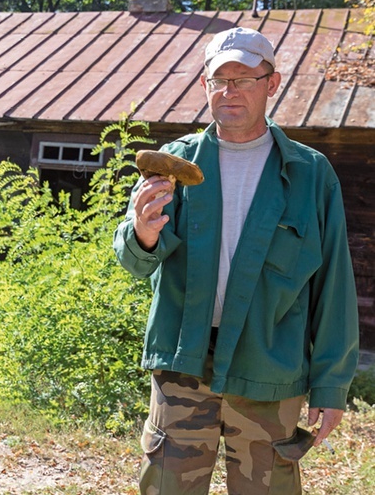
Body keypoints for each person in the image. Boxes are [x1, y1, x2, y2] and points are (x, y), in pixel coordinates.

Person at [113, 27, 359, 495]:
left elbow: (334, 286)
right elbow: (133, 260)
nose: (230, 90)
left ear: (272, 83)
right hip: (183, 366)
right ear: (204, 85)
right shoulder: (171, 164)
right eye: (219, 78)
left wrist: (331, 386)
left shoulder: (309, 175)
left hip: (269, 368)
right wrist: (143, 234)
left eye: (244, 78)